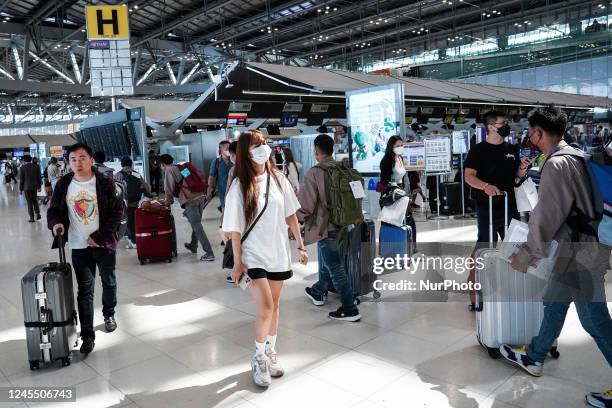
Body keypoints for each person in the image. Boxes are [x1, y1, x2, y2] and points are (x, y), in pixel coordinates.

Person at [497, 106, 612, 408]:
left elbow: (546, 216)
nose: (530, 139)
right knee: (555, 301)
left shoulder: (556, 164)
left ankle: (535, 355)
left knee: (593, 319)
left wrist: (526, 255)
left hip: (582, 251)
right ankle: (535, 357)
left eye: (531, 133)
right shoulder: (575, 155)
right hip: (580, 245)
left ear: (537, 133)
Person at [222, 130, 307, 388]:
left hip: (278, 251)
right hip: (252, 255)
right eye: (257, 145)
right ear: (246, 153)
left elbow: (291, 214)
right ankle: (258, 356)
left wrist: (301, 246)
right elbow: (234, 228)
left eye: (264, 144)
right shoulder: (239, 185)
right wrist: (237, 262)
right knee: (266, 305)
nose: (263, 148)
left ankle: (271, 351)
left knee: (276, 303)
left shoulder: (278, 178)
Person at [47, 143, 124, 355]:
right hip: (78, 245)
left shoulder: (105, 183)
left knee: (109, 282)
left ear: (91, 160)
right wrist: (56, 224)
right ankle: (88, 335)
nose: (78, 163)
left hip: (104, 243)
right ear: (68, 162)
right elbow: (53, 210)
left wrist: (100, 236)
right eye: (73, 159)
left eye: (82, 158)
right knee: (85, 291)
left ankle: (109, 313)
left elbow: (118, 211)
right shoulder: (64, 184)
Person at [299, 134, 361, 322]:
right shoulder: (344, 169)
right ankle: (318, 292)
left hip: (327, 228)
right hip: (347, 224)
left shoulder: (314, 173)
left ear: (317, 152)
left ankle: (350, 307)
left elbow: (306, 206)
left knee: (335, 267)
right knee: (331, 262)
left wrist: (294, 221)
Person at [464, 110, 530, 245]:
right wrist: (485, 186)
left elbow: (517, 176)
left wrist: (523, 168)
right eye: (503, 123)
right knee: (486, 244)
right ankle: (478, 265)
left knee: (514, 246)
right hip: (487, 206)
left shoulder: (512, 149)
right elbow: (468, 177)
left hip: (510, 205)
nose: (507, 125)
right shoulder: (478, 150)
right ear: (491, 126)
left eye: (507, 122)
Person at [160, 154, 215, 261]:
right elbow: (190, 181)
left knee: (197, 227)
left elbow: (168, 189)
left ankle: (209, 253)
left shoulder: (169, 171)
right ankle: (193, 245)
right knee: (197, 224)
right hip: (200, 197)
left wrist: (167, 202)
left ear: (162, 164)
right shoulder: (181, 168)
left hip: (190, 201)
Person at [114, 156, 153, 248]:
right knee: (134, 220)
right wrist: (150, 195)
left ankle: (133, 241)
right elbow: (145, 186)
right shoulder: (136, 174)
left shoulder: (118, 175)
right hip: (135, 201)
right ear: (131, 164)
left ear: (122, 164)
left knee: (127, 221)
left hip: (124, 203)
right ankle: (135, 238)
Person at [207, 140, 233, 214]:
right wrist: (208, 191)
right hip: (223, 191)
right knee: (225, 211)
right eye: (226, 149)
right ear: (221, 150)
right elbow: (211, 177)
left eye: (229, 148)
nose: (229, 150)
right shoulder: (216, 162)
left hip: (235, 190)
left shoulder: (235, 160)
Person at [19, 155, 42, 222]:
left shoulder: (22, 168)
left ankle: (32, 218)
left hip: (26, 188)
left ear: (24, 160)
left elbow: (22, 180)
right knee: (35, 200)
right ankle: (37, 213)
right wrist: (39, 187)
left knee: (29, 202)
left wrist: (20, 189)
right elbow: (39, 177)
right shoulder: (36, 167)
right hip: (34, 187)